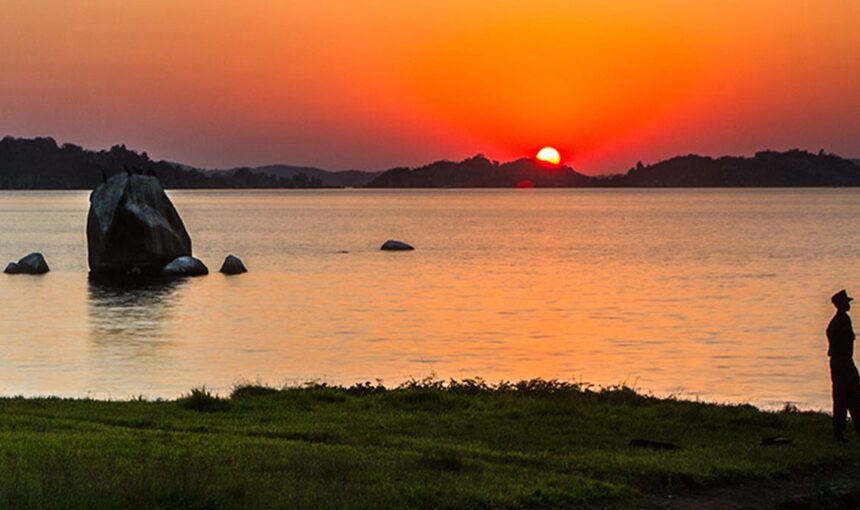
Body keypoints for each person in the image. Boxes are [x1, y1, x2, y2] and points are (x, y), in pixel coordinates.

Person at [826, 289, 860, 442]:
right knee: (846, 399)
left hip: (842, 363)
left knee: (848, 399)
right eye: (846, 302)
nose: (848, 304)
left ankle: (840, 433)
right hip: (842, 364)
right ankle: (839, 433)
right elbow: (843, 346)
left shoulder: (840, 321)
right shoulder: (842, 322)